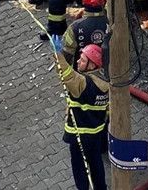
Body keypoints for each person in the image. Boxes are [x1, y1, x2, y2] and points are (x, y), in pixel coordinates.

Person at [50, 36, 109, 190]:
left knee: (80, 168)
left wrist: (58, 54)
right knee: (96, 164)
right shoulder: (106, 85)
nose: (77, 61)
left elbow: (66, 74)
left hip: (79, 135)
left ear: (92, 65)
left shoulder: (83, 83)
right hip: (96, 134)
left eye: (82, 60)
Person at [62, 0, 108, 66]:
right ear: (104, 0)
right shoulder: (112, 22)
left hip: (82, 71)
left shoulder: (75, 27)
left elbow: (66, 56)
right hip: (108, 70)